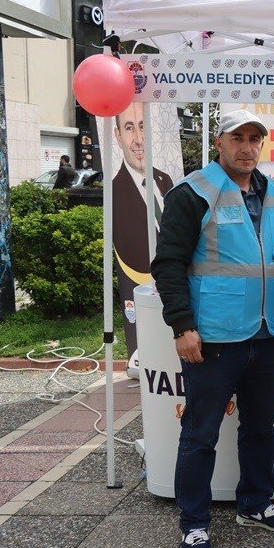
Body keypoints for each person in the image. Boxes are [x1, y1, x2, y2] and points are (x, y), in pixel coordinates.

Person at [151, 109, 274, 548]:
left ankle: (255, 504)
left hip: (266, 334)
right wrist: (182, 326)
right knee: (200, 434)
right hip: (215, 337)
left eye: (254, 139)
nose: (246, 147)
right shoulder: (194, 193)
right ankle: (195, 525)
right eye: (237, 137)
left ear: (263, 145)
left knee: (260, 426)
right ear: (218, 142)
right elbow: (168, 265)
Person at [112, 101, 175, 367]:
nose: (138, 139)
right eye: (129, 128)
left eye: (142, 127)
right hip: (142, 287)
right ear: (117, 136)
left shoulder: (165, 180)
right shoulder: (114, 192)